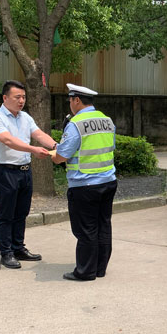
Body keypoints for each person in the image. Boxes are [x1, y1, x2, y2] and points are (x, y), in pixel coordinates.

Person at [0, 80, 56, 269]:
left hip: (24, 171)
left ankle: (18, 248)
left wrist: (56, 146)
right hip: (5, 171)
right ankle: (6, 252)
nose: (22, 101)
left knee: (21, 212)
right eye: (17, 97)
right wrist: (33, 149)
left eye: (24, 97)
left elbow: (39, 134)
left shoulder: (25, 117)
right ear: (5, 98)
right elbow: (8, 140)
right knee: (6, 213)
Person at [51, 83, 117, 281]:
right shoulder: (107, 120)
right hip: (108, 181)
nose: (70, 104)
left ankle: (86, 271)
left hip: (84, 185)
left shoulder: (76, 124)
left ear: (77, 100)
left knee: (86, 229)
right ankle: (99, 268)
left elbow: (61, 156)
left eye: (70, 100)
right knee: (103, 225)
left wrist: (53, 154)